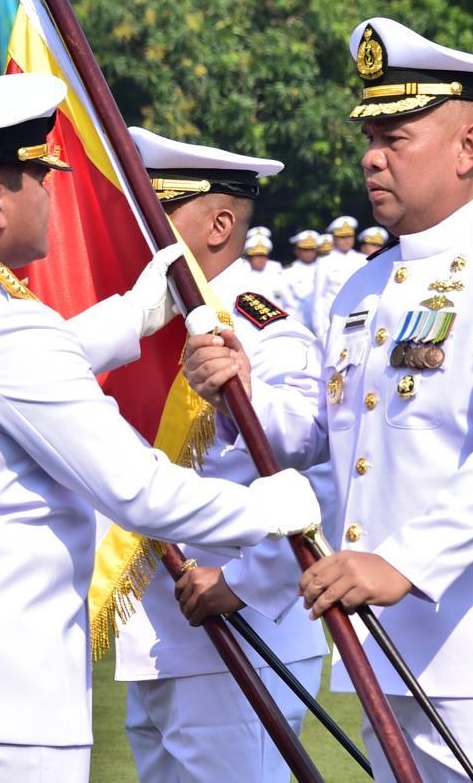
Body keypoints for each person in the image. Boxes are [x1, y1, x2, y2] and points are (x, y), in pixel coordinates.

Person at [0, 74, 321, 783]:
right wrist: (273, 507)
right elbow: (136, 489)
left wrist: (132, 315)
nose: (54, 199)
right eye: (40, 180)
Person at [186, 16, 473, 783]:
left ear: (469, 147)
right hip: (384, 644)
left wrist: (401, 561)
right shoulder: (365, 284)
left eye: (396, 136)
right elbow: (323, 435)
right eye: (369, 136)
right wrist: (240, 386)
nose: (372, 157)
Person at [114, 126, 330, 782]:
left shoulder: (259, 323)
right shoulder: (148, 314)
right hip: (160, 632)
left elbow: (310, 448)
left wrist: (244, 584)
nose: (135, 232)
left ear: (218, 225)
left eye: (156, 214)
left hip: (236, 627)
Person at [311, 214, 366, 336]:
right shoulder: (324, 262)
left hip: (358, 318)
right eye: (342, 237)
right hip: (332, 322)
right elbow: (319, 298)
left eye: (349, 236)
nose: (347, 240)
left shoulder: (362, 259)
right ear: (334, 239)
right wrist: (319, 330)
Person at [276, 229, 319, 327]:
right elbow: (281, 301)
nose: (309, 253)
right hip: (298, 321)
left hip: (319, 321)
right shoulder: (287, 272)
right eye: (305, 250)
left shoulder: (323, 269)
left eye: (312, 249)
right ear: (297, 251)